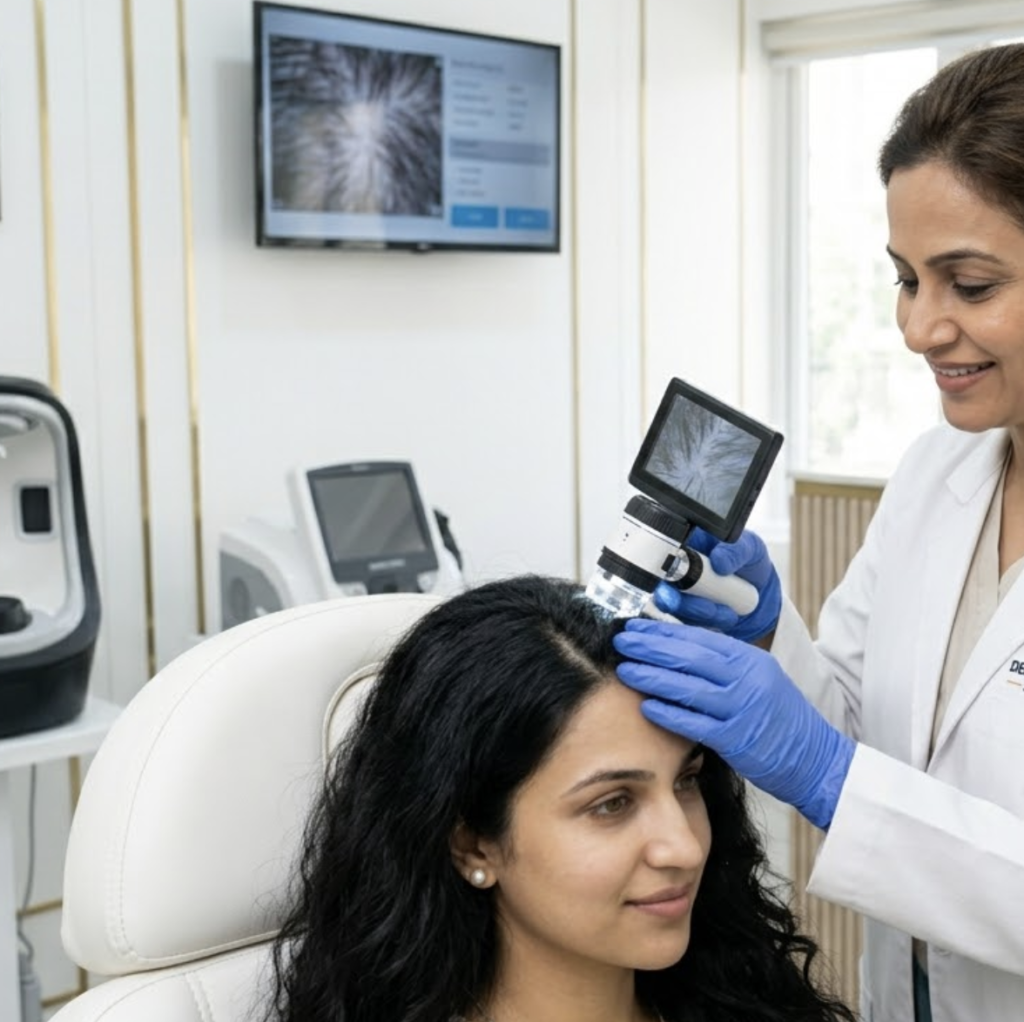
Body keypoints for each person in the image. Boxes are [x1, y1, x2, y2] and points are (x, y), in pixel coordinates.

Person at [612, 41, 1024, 1022]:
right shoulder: (938, 472)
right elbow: (846, 722)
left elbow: (841, 769)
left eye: (967, 285)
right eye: (904, 278)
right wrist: (764, 635)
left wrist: (831, 777)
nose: (920, 327)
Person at [261, 575, 856, 1022]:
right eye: (612, 804)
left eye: (686, 781)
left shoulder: (748, 1006)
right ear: (473, 844)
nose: (683, 847)